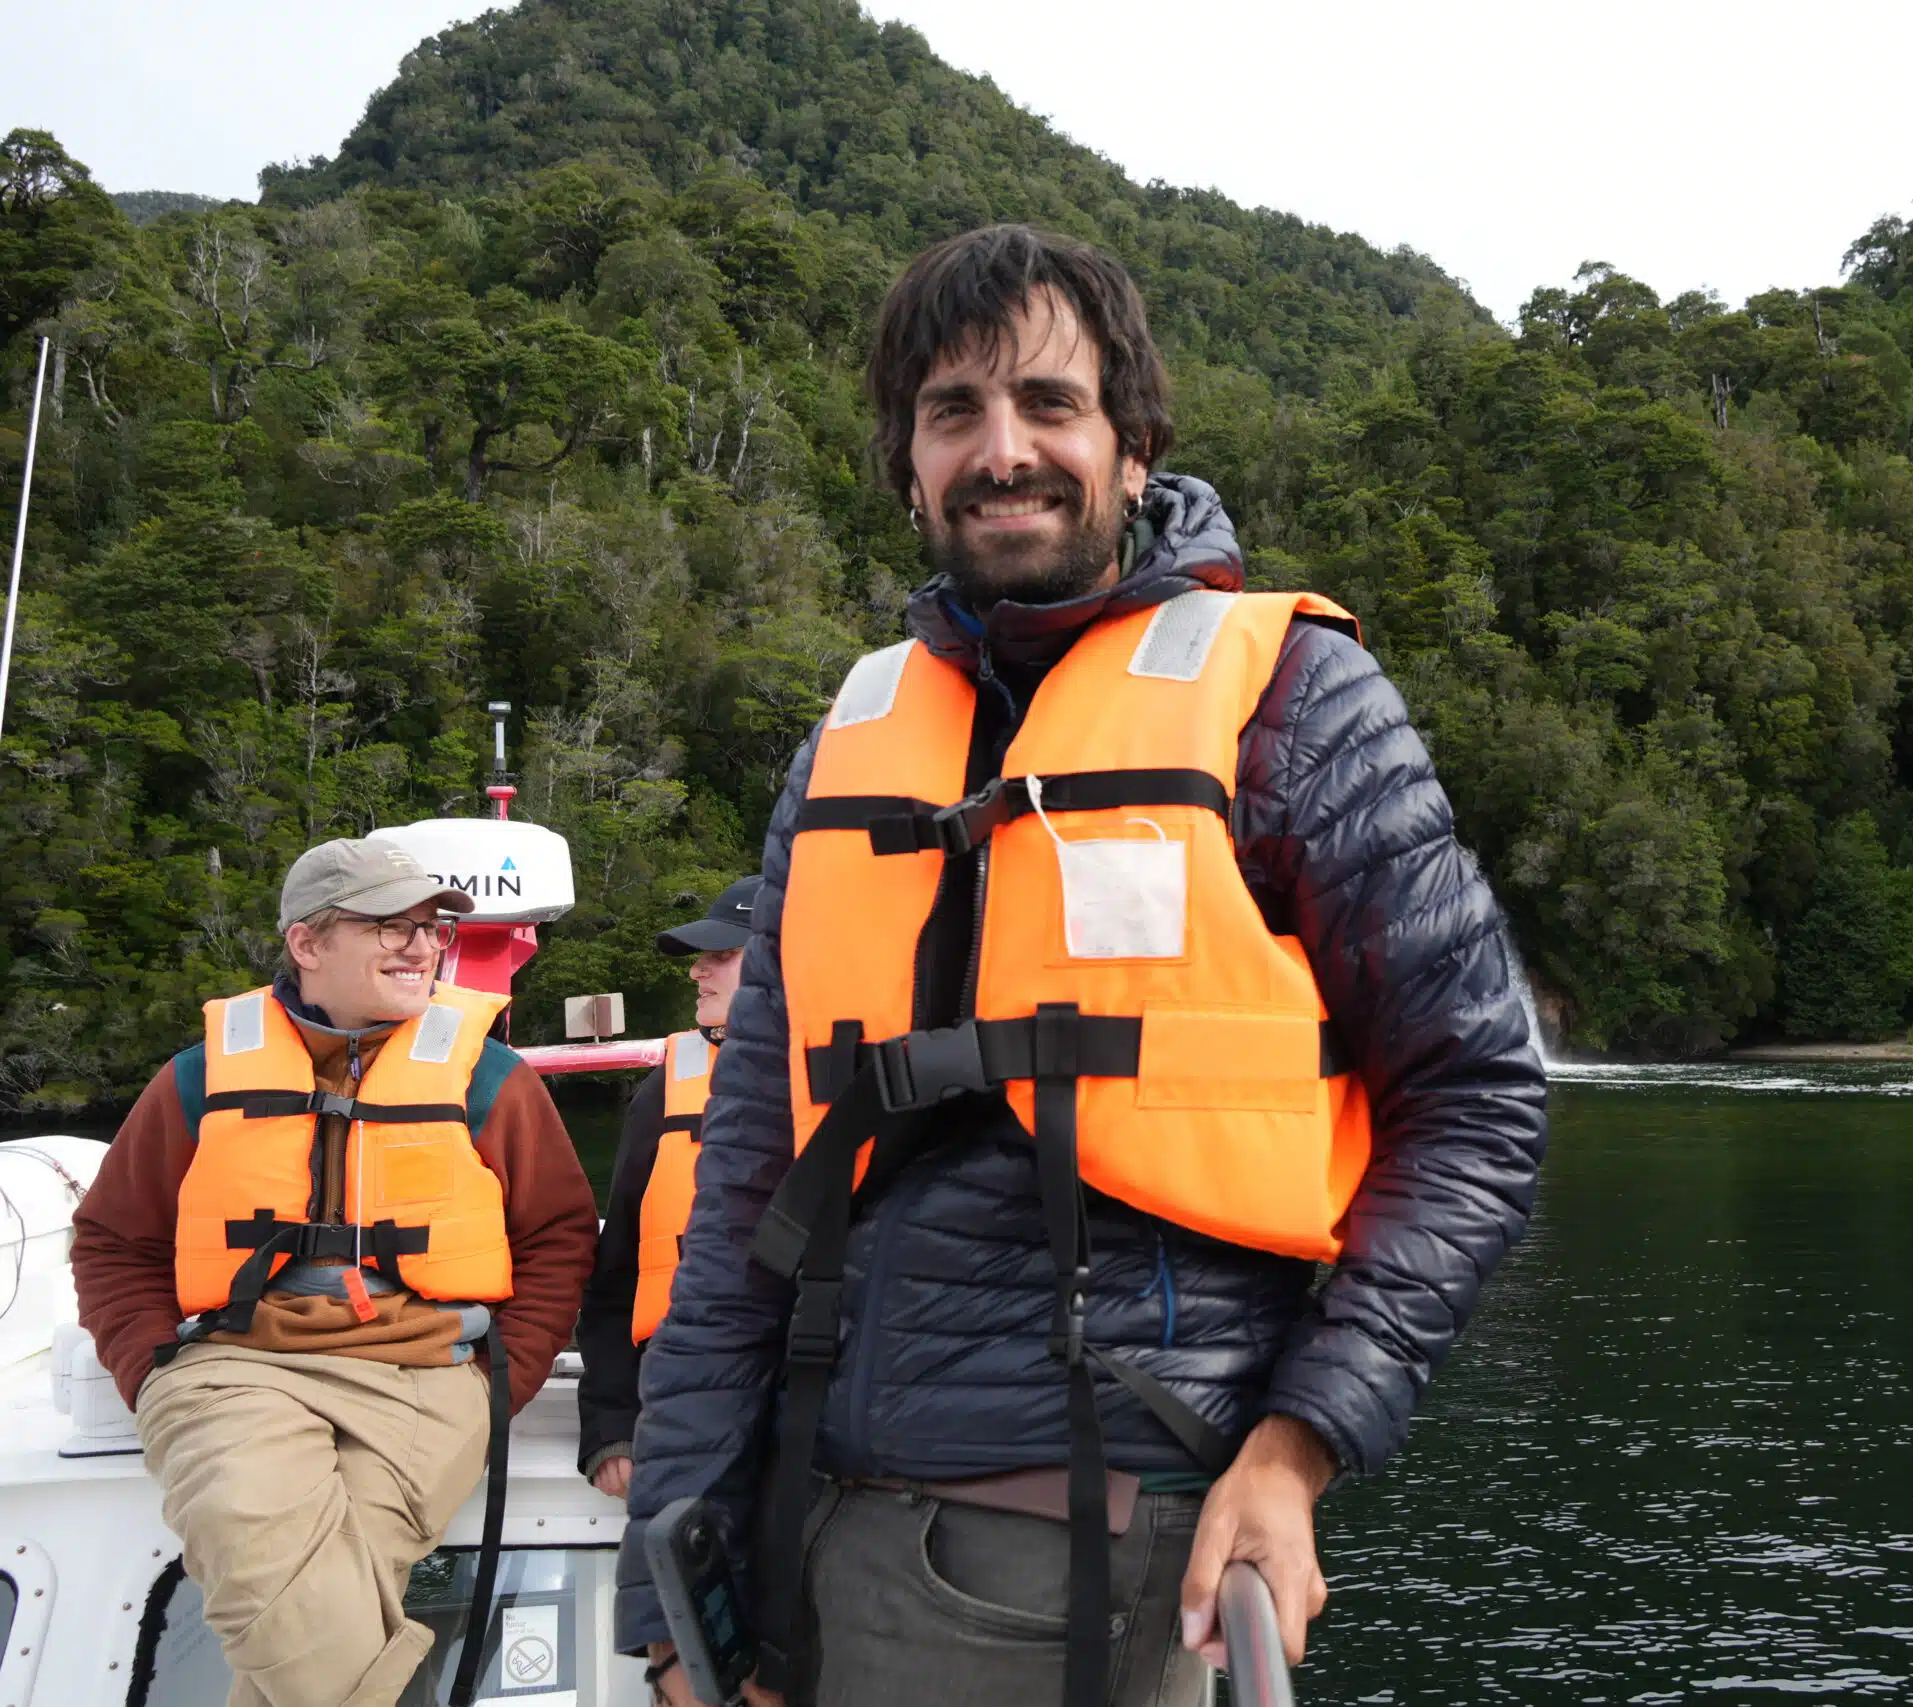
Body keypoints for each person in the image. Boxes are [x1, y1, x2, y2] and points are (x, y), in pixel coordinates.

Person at [617, 224, 1548, 1707]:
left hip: (1118, 1535)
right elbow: (749, 1169)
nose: (1005, 451)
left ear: (1133, 444)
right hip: (824, 1539)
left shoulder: (1294, 696)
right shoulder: (846, 747)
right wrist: (673, 1564)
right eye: (953, 412)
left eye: (1050, 404)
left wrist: (1306, 1438)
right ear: (906, 464)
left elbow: (1478, 1098)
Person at [70, 838, 599, 1707]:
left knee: (306, 1607)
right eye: (388, 926)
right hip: (237, 1368)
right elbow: (112, 1240)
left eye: (429, 928)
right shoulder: (200, 1080)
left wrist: (500, 1378)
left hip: (427, 1377)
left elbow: (558, 1235)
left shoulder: (491, 1079)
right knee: (251, 1524)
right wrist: (152, 1368)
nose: (420, 946)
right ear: (307, 944)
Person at [577, 875, 758, 1496]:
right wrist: (611, 1424)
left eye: (721, 957)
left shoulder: (863, 1080)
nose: (696, 973)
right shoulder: (667, 1092)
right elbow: (619, 1270)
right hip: (683, 1382)